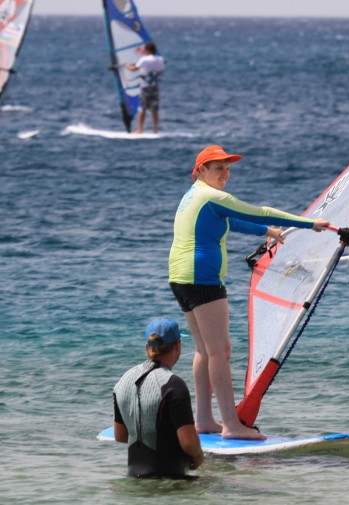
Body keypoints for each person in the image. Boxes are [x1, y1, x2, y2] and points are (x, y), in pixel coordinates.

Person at [169, 145, 330, 440]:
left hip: (180, 278)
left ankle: (204, 419)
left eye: (228, 168)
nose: (225, 174)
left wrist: (267, 232)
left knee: (205, 351)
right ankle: (231, 424)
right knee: (220, 352)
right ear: (201, 170)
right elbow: (259, 211)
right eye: (218, 168)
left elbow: (230, 220)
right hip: (203, 278)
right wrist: (309, 223)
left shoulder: (193, 195)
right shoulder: (213, 195)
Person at [113, 317, 205, 478]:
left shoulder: (123, 381)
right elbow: (189, 442)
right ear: (178, 345)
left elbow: (121, 436)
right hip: (170, 481)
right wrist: (198, 457)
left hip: (134, 479)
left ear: (147, 346)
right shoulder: (173, 385)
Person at [126, 41, 165, 134]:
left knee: (142, 108)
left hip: (145, 87)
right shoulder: (160, 59)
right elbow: (161, 70)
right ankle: (155, 129)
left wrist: (126, 65)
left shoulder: (144, 59)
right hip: (155, 87)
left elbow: (134, 69)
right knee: (155, 108)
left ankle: (140, 129)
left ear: (147, 50)